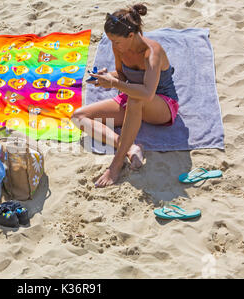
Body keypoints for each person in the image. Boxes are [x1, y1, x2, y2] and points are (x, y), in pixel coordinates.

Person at [71, 3, 179, 187]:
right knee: (78, 117)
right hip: (132, 98)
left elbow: (147, 93)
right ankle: (130, 147)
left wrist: (114, 83)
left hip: (161, 104)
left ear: (131, 35)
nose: (113, 45)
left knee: (136, 100)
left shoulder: (152, 53)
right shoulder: (120, 47)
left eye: (116, 41)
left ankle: (116, 164)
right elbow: (122, 75)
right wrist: (107, 76)